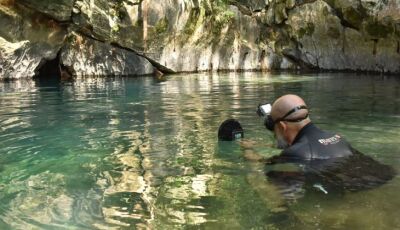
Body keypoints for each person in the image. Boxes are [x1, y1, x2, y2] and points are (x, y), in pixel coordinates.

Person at [245, 94, 395, 198]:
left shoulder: (296, 154)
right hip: (381, 178)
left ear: (283, 127)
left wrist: (247, 149)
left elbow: (260, 167)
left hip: (338, 195)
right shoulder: (337, 137)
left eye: (275, 130)